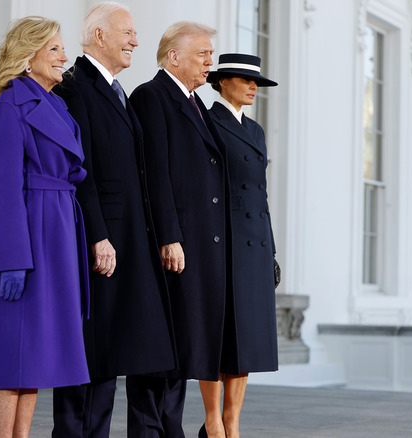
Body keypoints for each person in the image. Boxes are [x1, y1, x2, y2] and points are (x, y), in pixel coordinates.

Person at [51, 3, 176, 437]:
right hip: (99, 242)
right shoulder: (74, 88)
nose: (136, 42)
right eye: (127, 33)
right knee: (89, 354)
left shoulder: (117, 90)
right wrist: (98, 236)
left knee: (110, 356)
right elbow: (77, 168)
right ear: (99, 35)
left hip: (127, 241)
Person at [0, 16, 90, 438]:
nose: (64, 56)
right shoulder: (8, 106)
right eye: (54, 49)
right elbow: (2, 189)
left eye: (63, 48)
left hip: (57, 230)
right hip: (28, 236)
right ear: (28, 57)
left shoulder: (56, 104)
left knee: (35, 352)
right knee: (10, 354)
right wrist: (12, 259)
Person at [129, 22, 236, 438]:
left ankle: (170, 429)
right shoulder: (151, 97)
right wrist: (168, 236)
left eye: (212, 54)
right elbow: (154, 174)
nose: (212, 61)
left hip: (202, 248)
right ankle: (149, 431)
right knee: (159, 348)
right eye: (203, 54)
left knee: (184, 349)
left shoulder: (195, 103)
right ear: (174, 56)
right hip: (174, 245)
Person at [203, 53, 280, 438]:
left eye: (257, 83)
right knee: (219, 337)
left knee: (246, 338)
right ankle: (213, 421)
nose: (253, 87)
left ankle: (233, 423)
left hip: (255, 245)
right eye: (245, 80)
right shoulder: (206, 121)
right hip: (224, 240)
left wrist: (273, 251)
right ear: (221, 82)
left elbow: (261, 196)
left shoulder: (257, 131)